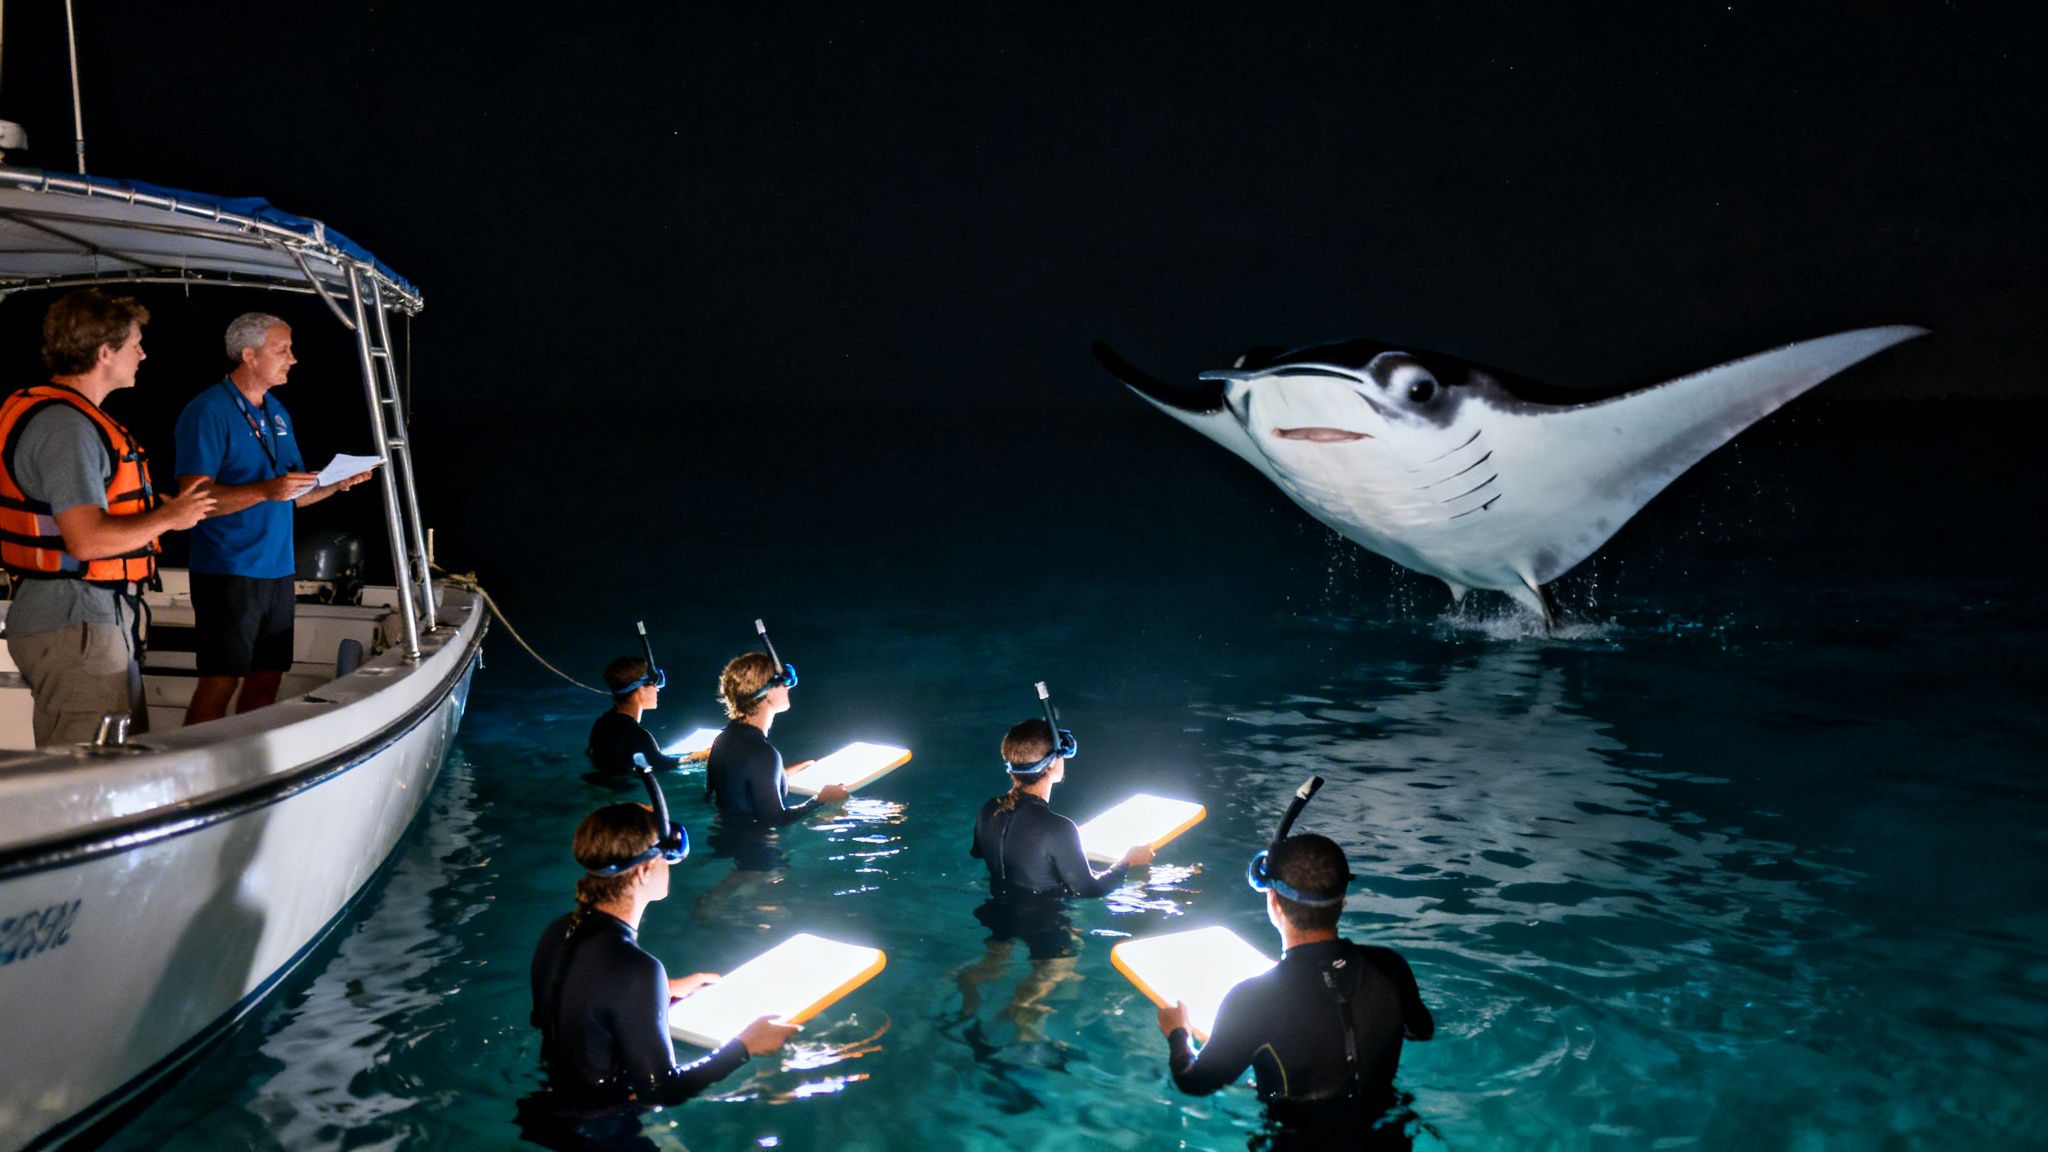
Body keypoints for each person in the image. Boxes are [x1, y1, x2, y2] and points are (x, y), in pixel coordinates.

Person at [0, 289, 216, 746]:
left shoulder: (62, 416)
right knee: (87, 771)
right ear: (104, 353)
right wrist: (171, 517)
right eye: (135, 343)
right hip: (75, 619)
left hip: (85, 616)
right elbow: (87, 541)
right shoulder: (66, 428)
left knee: (116, 761)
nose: (143, 353)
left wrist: (159, 511)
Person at [525, 803, 796, 1148]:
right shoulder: (637, 969)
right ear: (644, 870)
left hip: (546, 1110)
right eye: (666, 858)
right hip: (605, 1130)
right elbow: (661, 1089)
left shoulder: (558, 931)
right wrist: (745, 1045)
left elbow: (565, 1010)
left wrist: (662, 992)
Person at [1156, 833, 1435, 1150]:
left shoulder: (1253, 1000)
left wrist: (1178, 1033)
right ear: (1343, 899)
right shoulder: (1390, 967)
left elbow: (1194, 1082)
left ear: (1273, 899)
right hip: (1390, 1138)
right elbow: (1421, 1031)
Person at [173, 312, 373, 726]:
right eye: (283, 350)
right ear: (249, 355)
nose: (293, 359)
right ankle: (193, 763)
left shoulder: (276, 411)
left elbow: (290, 494)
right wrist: (267, 490)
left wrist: (337, 482)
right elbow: (193, 499)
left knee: (268, 678)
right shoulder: (208, 411)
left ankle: (246, 758)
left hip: (278, 570)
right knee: (219, 681)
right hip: (227, 570)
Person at [953, 717, 1154, 1045]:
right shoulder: (1058, 827)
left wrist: (1057, 845)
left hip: (997, 908)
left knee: (991, 963)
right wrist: (1129, 862)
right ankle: (1023, 1023)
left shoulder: (988, 809)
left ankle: (967, 1000)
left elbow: (981, 852)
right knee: (1056, 972)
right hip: (1043, 919)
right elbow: (1089, 890)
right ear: (1054, 765)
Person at [704, 651, 850, 831]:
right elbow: (776, 822)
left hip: (726, 839)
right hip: (758, 847)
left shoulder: (723, 740)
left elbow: (738, 787)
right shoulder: (763, 754)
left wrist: (783, 774)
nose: (788, 686)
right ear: (766, 692)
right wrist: (820, 801)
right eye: (783, 681)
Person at [586, 656, 681, 777]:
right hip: (625, 787)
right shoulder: (638, 737)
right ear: (640, 688)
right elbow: (664, 766)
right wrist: (698, 757)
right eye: (654, 682)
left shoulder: (602, 723)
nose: (657, 689)